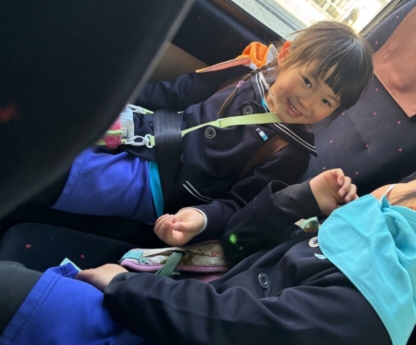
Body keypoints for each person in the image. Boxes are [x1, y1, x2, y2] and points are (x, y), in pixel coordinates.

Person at [0, 174, 416, 345]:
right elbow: (237, 244)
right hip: (164, 310)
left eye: (396, 186)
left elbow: (233, 327)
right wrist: (301, 200)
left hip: (154, 329)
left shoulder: (367, 317)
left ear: (414, 211)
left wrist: (123, 288)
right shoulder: (348, 249)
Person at [32, 21, 373, 244]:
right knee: (51, 117)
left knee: (52, 173)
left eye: (326, 101)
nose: (307, 102)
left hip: (156, 186)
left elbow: (238, 205)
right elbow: (179, 92)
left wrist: (200, 217)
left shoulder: (289, 152)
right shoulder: (248, 71)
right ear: (286, 56)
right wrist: (119, 96)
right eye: (308, 81)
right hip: (143, 127)